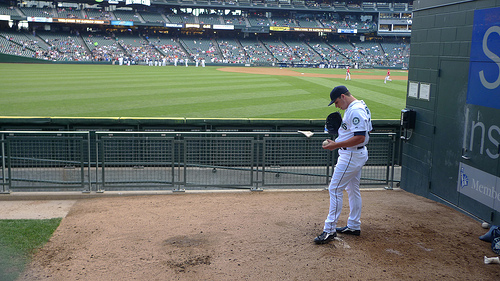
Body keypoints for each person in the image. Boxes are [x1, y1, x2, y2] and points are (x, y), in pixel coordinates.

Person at [314, 85, 373, 245]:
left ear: (343, 96)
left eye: (336, 102)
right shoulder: (359, 106)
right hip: (355, 153)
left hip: (351, 155)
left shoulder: (355, 110)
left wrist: (336, 145)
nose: (336, 106)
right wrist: (339, 141)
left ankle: (329, 230)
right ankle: (354, 225)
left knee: (334, 189)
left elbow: (360, 137)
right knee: (352, 189)